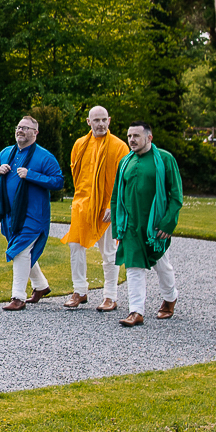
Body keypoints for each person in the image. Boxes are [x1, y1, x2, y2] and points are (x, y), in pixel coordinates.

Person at [109, 121, 184, 327]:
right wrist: (117, 227)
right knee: (133, 267)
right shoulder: (125, 162)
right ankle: (136, 311)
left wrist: (168, 224)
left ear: (149, 138)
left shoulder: (165, 160)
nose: (132, 140)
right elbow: (116, 197)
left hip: (155, 226)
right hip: (131, 226)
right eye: (129, 136)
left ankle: (170, 297)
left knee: (162, 266)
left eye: (136, 136)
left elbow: (176, 195)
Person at [0, 116, 64, 311]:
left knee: (20, 250)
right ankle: (41, 286)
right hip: (9, 215)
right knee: (23, 251)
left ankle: (18, 297)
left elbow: (58, 182)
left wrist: (32, 175)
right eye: (19, 127)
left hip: (34, 215)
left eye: (26, 128)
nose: (20, 131)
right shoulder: (6, 153)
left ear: (35, 133)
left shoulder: (44, 157)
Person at [63, 106, 129, 311]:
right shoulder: (80, 144)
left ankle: (110, 296)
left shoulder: (119, 146)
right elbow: (77, 175)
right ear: (88, 122)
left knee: (109, 252)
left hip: (106, 208)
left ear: (109, 120)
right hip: (82, 205)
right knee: (75, 246)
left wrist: (113, 205)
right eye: (96, 120)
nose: (100, 124)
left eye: (103, 120)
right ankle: (80, 291)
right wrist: (79, 202)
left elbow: (124, 180)